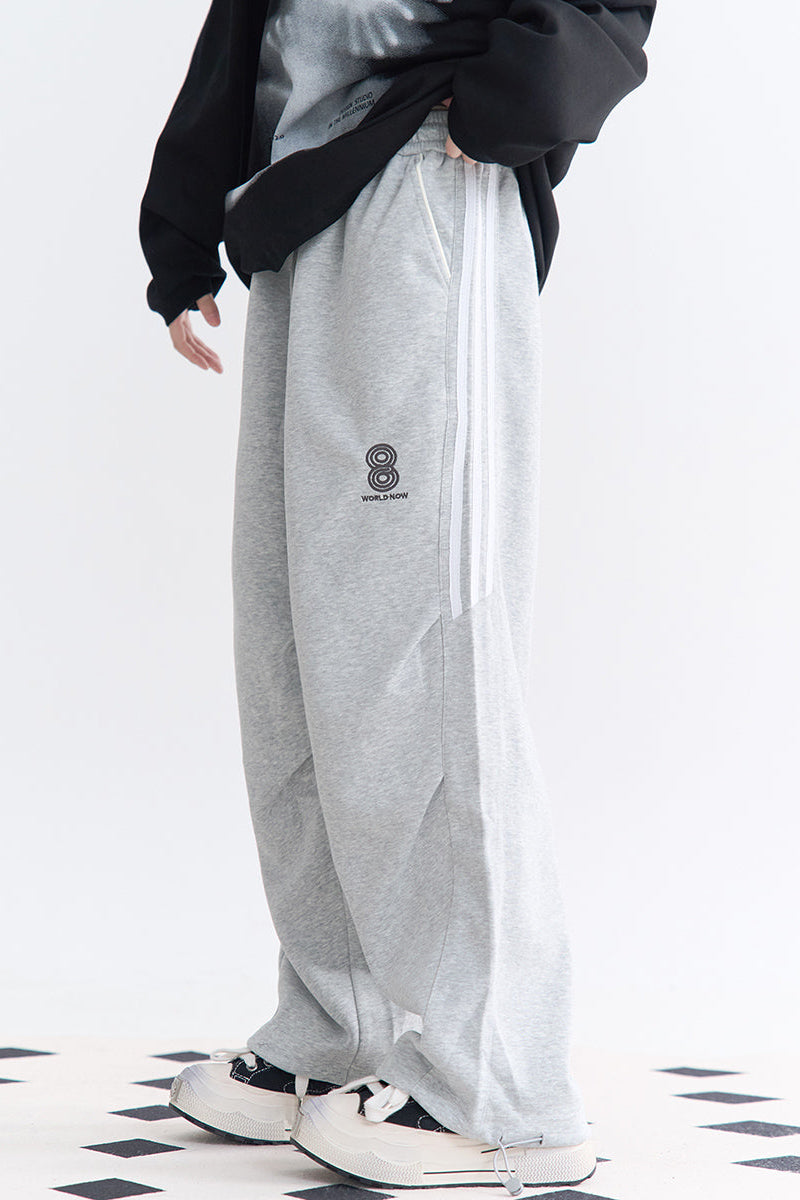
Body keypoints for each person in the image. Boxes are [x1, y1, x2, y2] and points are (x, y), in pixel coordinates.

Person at [139, 0, 656, 1192]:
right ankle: (346, 1027)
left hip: (425, 179)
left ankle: (501, 1089)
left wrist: (501, 106)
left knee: (421, 645)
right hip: (298, 204)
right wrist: (183, 226)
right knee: (294, 648)